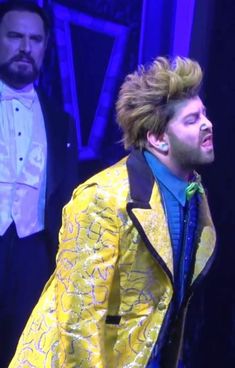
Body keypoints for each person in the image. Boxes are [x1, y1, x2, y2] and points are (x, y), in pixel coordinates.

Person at [9, 56, 216, 368]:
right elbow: (79, 323)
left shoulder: (194, 194)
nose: (207, 124)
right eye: (191, 120)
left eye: (204, 115)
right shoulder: (103, 198)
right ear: (158, 139)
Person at [0, 1, 78, 366]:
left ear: (45, 46)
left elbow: (66, 197)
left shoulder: (61, 122)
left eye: (34, 39)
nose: (24, 48)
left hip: (34, 253)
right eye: (14, 36)